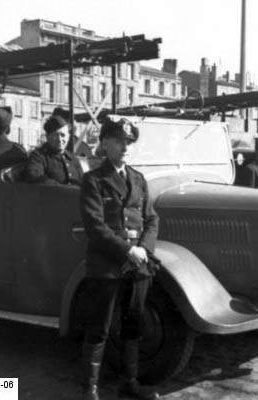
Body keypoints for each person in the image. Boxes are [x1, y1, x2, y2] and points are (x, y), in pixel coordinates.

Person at [79, 118, 159, 400]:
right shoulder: (93, 180)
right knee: (99, 327)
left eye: (128, 142)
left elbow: (151, 219)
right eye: (118, 141)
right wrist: (128, 250)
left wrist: (144, 251)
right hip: (108, 266)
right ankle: (91, 389)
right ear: (104, 144)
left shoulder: (138, 178)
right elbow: (95, 226)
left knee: (133, 324)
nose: (125, 147)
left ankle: (130, 383)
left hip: (137, 266)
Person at [24, 115, 84, 185]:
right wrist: (64, 189)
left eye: (63, 135)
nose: (59, 139)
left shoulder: (72, 158)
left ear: (68, 137)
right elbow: (35, 177)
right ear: (47, 137)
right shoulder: (38, 157)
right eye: (55, 135)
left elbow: (82, 180)